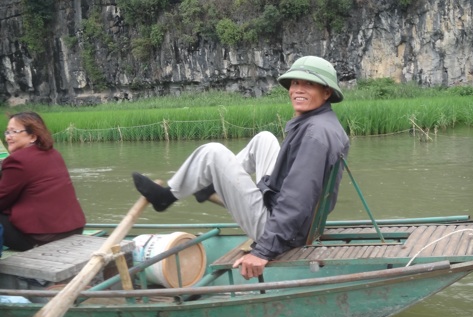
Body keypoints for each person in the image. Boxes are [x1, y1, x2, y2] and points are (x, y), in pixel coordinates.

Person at [133, 56, 350, 279]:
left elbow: (298, 199)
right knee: (264, 139)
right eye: (295, 83)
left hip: (284, 230)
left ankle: (166, 197)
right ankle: (208, 186)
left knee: (213, 153)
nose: (298, 89)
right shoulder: (323, 124)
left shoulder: (315, 135)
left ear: (327, 93)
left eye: (309, 84)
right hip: (299, 222)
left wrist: (263, 251)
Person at [0, 111, 86, 252]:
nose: (8, 137)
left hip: (44, 238)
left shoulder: (17, 160)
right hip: (74, 229)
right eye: (7, 132)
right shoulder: (54, 153)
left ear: (33, 136)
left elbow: (2, 199)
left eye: (14, 132)